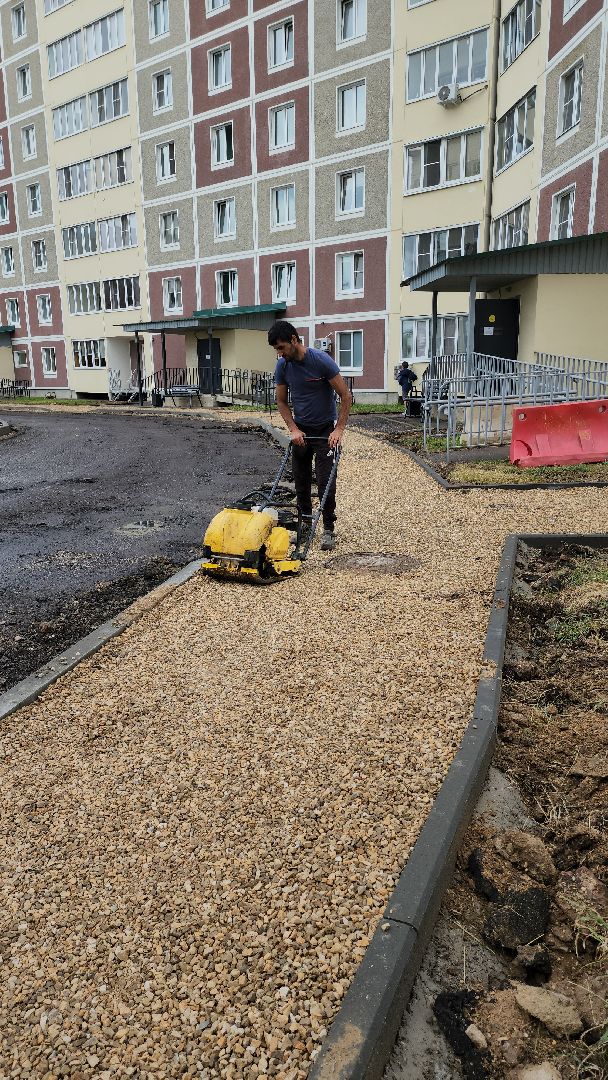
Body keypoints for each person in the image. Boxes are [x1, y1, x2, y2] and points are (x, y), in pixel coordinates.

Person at [268, 320, 351, 553]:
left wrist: (339, 430)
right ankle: (304, 524)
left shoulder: (321, 361)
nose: (280, 354)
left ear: (294, 340)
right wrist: (293, 429)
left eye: (281, 348)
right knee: (301, 480)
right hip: (302, 430)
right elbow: (281, 401)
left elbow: (345, 395)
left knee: (326, 480)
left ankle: (327, 528)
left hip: (325, 430)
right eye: (276, 350)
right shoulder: (283, 366)